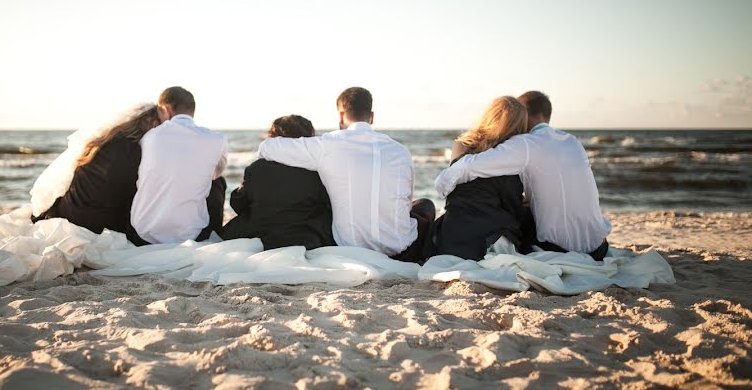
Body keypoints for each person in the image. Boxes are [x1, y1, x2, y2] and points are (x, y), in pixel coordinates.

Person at [257, 87, 435, 262]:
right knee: (425, 204)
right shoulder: (400, 151)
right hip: (403, 251)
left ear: (341, 114)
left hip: (350, 249)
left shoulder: (327, 145)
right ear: (371, 116)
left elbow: (268, 147)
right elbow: (407, 201)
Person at [435, 91, 611, 260]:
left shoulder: (525, 144)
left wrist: (442, 185)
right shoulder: (571, 141)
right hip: (599, 247)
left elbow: (470, 166)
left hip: (563, 250)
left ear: (524, 113)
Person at [33, 104, 159, 245]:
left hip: (71, 210)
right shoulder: (134, 151)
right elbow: (129, 196)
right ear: (152, 123)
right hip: (95, 224)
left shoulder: (102, 142)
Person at [424, 97, 532, 260]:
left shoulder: (461, 145)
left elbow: (455, 192)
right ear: (518, 125)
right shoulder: (510, 157)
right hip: (489, 239)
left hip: (453, 235)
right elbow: (511, 205)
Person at [220, 115, 335, 249]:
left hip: (262, 234)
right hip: (305, 237)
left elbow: (238, 203)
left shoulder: (257, 168)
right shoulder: (317, 172)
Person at [130, 87, 228, 244]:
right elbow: (215, 175)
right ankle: (215, 232)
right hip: (192, 234)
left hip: (143, 232)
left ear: (166, 109)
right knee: (218, 182)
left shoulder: (150, 137)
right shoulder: (217, 139)